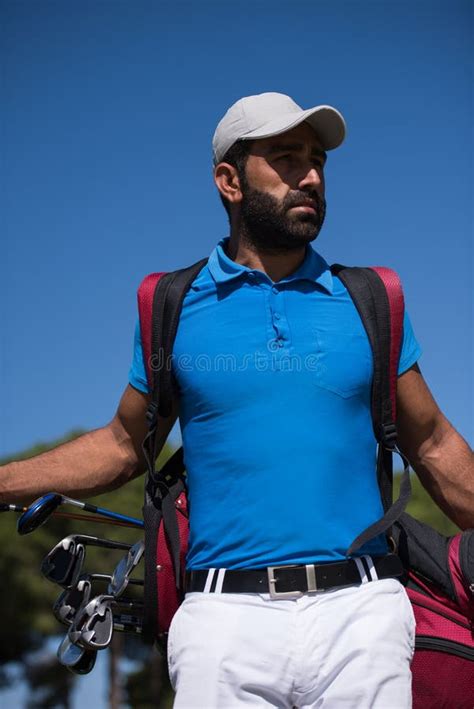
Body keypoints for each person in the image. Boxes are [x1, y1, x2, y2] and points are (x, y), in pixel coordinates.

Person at [1, 92, 473, 708]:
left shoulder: (372, 299)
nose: (309, 176)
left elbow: (433, 443)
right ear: (229, 181)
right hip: (222, 623)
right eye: (284, 158)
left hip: (363, 613)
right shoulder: (170, 304)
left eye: (317, 161)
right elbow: (123, 444)